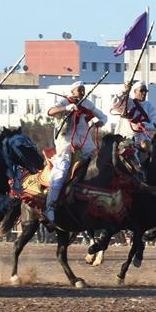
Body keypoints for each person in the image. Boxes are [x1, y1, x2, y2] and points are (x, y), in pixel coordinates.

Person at [45, 81, 108, 222]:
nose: (82, 92)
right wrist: (66, 108)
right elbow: (50, 111)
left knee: (99, 165)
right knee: (61, 171)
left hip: (86, 143)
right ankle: (50, 206)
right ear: (73, 91)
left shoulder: (88, 104)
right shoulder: (64, 101)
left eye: (83, 90)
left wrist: (101, 122)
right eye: (79, 90)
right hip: (66, 142)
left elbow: (103, 116)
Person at [111, 81, 156, 149]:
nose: (144, 93)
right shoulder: (128, 102)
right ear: (135, 91)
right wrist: (124, 92)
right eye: (141, 91)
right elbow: (114, 103)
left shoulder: (150, 106)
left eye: (146, 91)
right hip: (124, 138)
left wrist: (144, 125)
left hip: (142, 142)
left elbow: (153, 125)